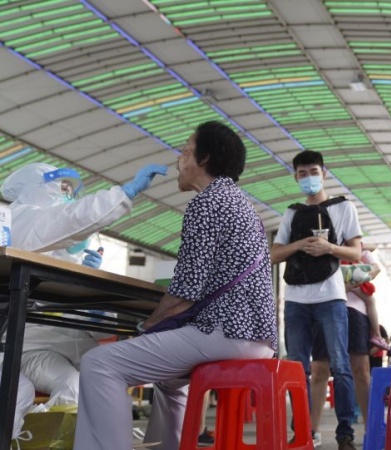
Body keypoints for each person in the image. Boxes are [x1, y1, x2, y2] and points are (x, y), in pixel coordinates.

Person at [74, 121, 277, 450]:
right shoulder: (240, 202)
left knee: (100, 363)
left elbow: (186, 291)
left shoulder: (207, 203)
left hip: (226, 332)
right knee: (170, 379)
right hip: (258, 337)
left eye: (185, 151)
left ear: (204, 158)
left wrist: (149, 325)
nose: (178, 160)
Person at [0, 161, 167, 440]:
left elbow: (94, 332)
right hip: (23, 345)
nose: (68, 197)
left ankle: (47, 440)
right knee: (19, 392)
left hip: (47, 351)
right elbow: (68, 220)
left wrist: (97, 310)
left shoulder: (63, 259)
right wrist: (122, 194)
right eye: (63, 188)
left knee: (75, 387)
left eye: (71, 191)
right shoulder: (20, 218)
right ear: (36, 188)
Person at [271, 150, 363, 450]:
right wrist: (300, 244)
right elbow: (274, 254)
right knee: (298, 368)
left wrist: (329, 248)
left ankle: (345, 433)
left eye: (313, 172)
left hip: (331, 297)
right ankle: (301, 431)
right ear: (295, 177)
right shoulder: (292, 213)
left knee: (341, 365)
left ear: (324, 173)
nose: (308, 178)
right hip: (296, 299)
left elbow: (356, 252)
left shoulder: (343, 207)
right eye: (302, 174)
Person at [308, 247, 381, 447]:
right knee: (319, 371)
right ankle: (312, 431)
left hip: (355, 312)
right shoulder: (320, 243)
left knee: (361, 372)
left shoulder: (359, 248)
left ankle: (372, 431)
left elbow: (375, 268)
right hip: (324, 310)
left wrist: (347, 284)